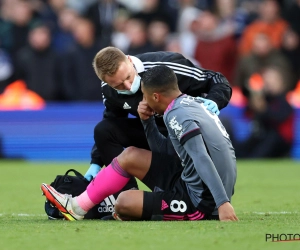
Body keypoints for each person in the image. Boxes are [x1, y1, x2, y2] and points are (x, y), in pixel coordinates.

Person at [41, 65, 238, 222]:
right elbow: (167, 151)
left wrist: (222, 203)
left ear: (155, 97)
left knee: (124, 203)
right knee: (131, 155)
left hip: (203, 201)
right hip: (193, 180)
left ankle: (93, 204)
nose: (142, 101)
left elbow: (201, 157)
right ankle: (77, 206)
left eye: (144, 95)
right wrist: (147, 122)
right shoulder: (190, 104)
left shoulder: (176, 115)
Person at [84, 46, 232, 184]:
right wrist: (96, 161)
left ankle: (181, 188)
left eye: (128, 77)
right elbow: (112, 119)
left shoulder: (167, 66)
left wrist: (214, 101)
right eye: (119, 86)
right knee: (104, 130)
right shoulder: (108, 90)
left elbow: (216, 79)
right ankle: (125, 195)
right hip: (154, 134)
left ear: (129, 60)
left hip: (187, 131)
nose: (128, 86)